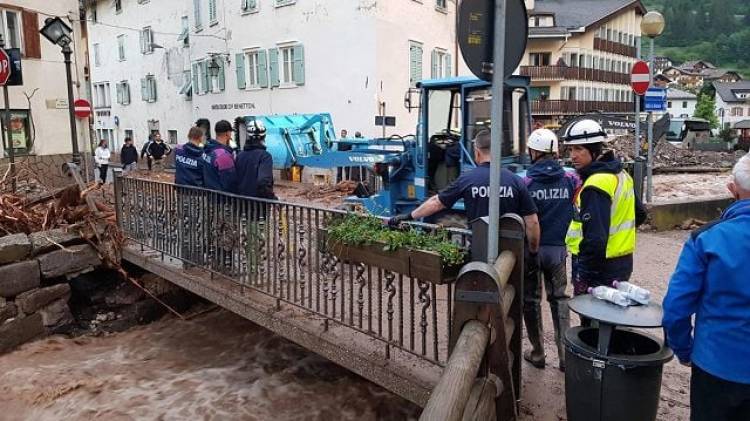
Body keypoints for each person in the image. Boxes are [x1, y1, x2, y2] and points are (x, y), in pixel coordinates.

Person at [662, 153, 750, 421]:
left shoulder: (707, 239)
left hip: (716, 366)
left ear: (732, 189)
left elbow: (675, 308)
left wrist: (684, 350)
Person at [388, 129, 540, 254]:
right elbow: (532, 222)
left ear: (477, 152)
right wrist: (533, 251)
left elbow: (436, 203)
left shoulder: (467, 179)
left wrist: (409, 216)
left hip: (480, 251)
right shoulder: (515, 180)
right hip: (511, 252)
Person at [563, 119, 647, 300]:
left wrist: (585, 272)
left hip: (598, 266)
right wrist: (618, 239)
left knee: (591, 319)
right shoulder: (621, 175)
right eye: (570, 149)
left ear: (594, 151)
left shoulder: (596, 183)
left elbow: (595, 238)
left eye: (579, 149)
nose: (573, 156)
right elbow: (639, 214)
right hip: (622, 262)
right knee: (612, 317)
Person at [520, 128, 580, 371]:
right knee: (559, 299)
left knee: (531, 301)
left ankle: (538, 353)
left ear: (533, 151)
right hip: (558, 251)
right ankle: (565, 357)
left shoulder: (524, 181)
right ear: (555, 152)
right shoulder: (571, 178)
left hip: (532, 251)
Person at [233, 119, 277, 277]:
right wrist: (273, 198)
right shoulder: (265, 156)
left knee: (248, 237)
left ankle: (251, 268)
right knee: (257, 238)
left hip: (242, 204)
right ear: (263, 136)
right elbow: (263, 182)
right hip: (258, 205)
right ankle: (255, 272)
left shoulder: (240, 155)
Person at [175, 127, 206, 267]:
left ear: (188, 135)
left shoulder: (179, 151)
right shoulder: (202, 156)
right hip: (197, 194)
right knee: (197, 225)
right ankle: (197, 258)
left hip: (182, 192)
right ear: (200, 138)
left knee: (185, 224)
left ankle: (185, 256)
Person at [202, 120, 236, 192]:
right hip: (222, 199)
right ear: (228, 133)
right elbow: (230, 182)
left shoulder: (208, 150)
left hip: (210, 196)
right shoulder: (223, 155)